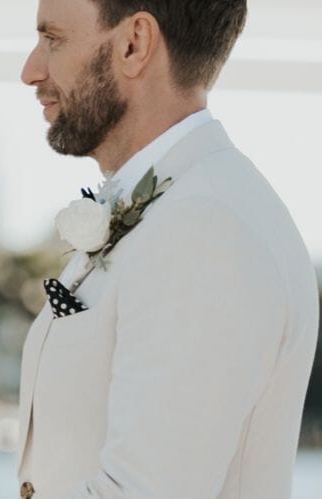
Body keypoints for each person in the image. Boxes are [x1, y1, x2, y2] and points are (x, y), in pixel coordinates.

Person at [16, 1, 319, 498]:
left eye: (54, 38)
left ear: (134, 44)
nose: (31, 70)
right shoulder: (181, 206)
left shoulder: (207, 228)